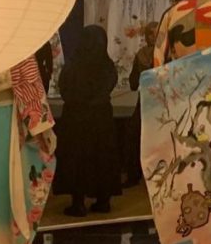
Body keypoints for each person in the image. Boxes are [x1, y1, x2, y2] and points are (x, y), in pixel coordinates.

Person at [54, 25, 122, 216]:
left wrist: (79, 101)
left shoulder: (73, 65)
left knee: (77, 159)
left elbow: (64, 89)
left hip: (76, 119)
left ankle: (78, 203)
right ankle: (103, 201)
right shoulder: (107, 66)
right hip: (102, 118)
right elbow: (108, 87)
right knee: (103, 158)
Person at [125, 22, 159, 186]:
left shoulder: (145, 54)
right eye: (150, 34)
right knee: (133, 137)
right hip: (152, 102)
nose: (152, 37)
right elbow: (133, 82)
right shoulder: (162, 53)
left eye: (155, 34)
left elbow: (133, 83)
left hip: (155, 102)